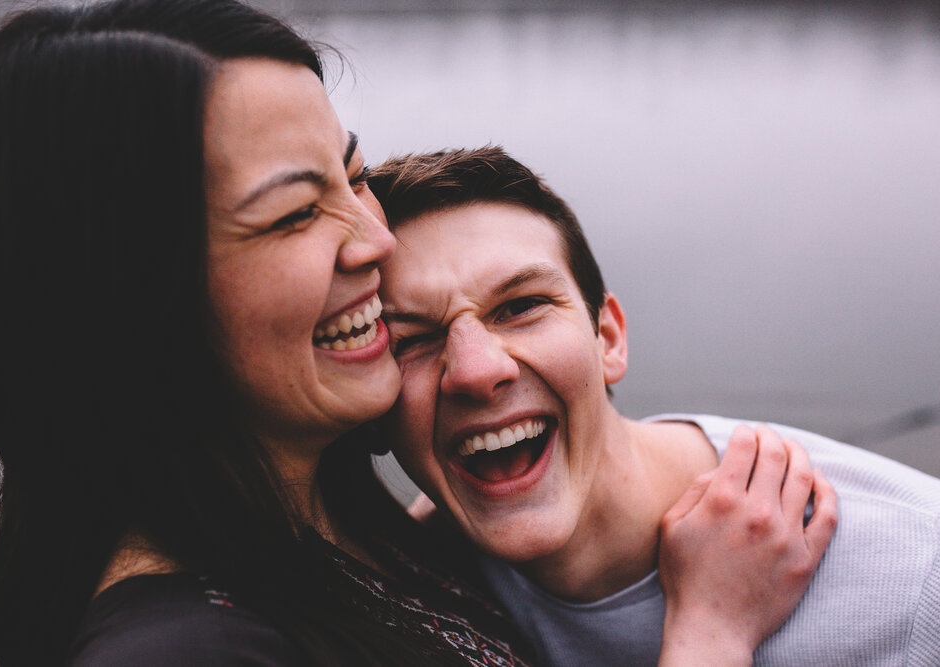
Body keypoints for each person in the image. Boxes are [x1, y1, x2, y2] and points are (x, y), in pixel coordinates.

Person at [0, 1, 833, 664]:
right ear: (134, 300)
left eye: (354, 172)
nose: (376, 239)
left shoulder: (339, 523)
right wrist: (711, 632)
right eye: (296, 214)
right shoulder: (183, 651)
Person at [367, 146, 940, 667]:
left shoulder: (915, 579)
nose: (475, 371)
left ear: (609, 338)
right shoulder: (418, 592)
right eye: (412, 340)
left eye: (520, 306)